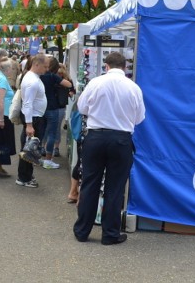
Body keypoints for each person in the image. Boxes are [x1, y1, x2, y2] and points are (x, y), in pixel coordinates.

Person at [73, 52, 145, 245]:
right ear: (125, 67)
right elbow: (139, 118)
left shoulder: (95, 83)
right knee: (115, 187)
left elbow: (82, 108)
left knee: (90, 184)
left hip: (96, 137)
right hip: (121, 139)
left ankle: (82, 231)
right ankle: (110, 234)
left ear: (106, 66)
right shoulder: (134, 88)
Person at [16, 53, 48, 188]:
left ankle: (26, 175)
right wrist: (29, 125)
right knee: (29, 149)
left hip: (34, 117)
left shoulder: (33, 78)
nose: (46, 69)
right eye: (45, 66)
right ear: (37, 64)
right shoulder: (32, 81)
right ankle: (24, 177)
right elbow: (27, 103)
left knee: (30, 148)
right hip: (33, 118)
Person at [40, 57, 73, 169]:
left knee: (42, 132)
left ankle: (38, 154)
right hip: (53, 107)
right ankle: (48, 159)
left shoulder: (39, 76)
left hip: (40, 108)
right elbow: (68, 84)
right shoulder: (52, 76)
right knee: (52, 134)